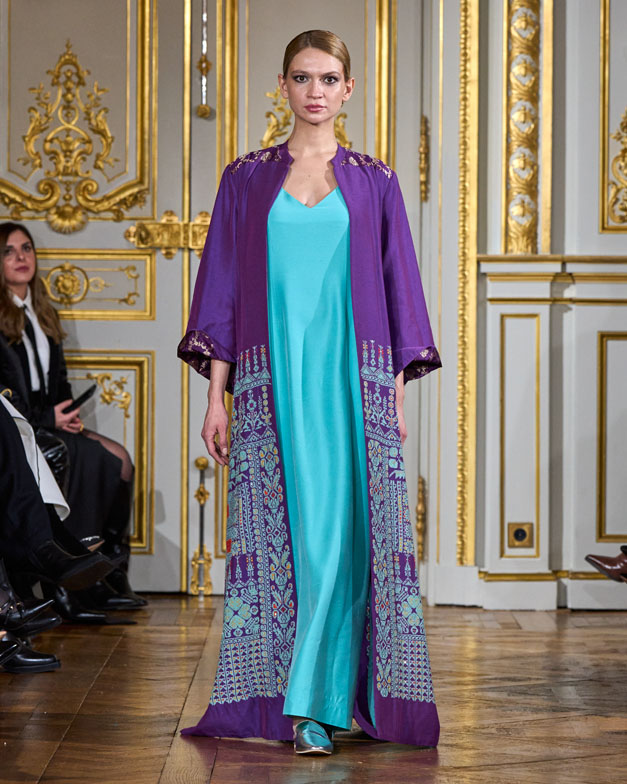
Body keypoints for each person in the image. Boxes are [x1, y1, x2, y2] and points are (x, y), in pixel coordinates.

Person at [178, 30, 441, 754]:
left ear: (348, 89)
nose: (315, 91)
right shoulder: (245, 178)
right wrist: (216, 397)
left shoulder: (375, 180)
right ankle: (305, 705)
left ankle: (315, 705)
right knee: (289, 540)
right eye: (302, 77)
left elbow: (398, 287)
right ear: (283, 85)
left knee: (343, 542)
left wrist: (392, 396)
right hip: (273, 384)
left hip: (351, 383)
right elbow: (222, 288)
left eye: (328, 79)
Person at [0, 222, 145, 609]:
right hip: (19, 427)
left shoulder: (43, 312)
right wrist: (49, 419)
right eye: (9, 251)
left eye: (27, 248)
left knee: (119, 460)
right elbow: (5, 394)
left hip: (50, 419)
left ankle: (111, 570)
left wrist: (69, 413)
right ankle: (68, 586)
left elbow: (59, 379)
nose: (21, 257)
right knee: (77, 454)